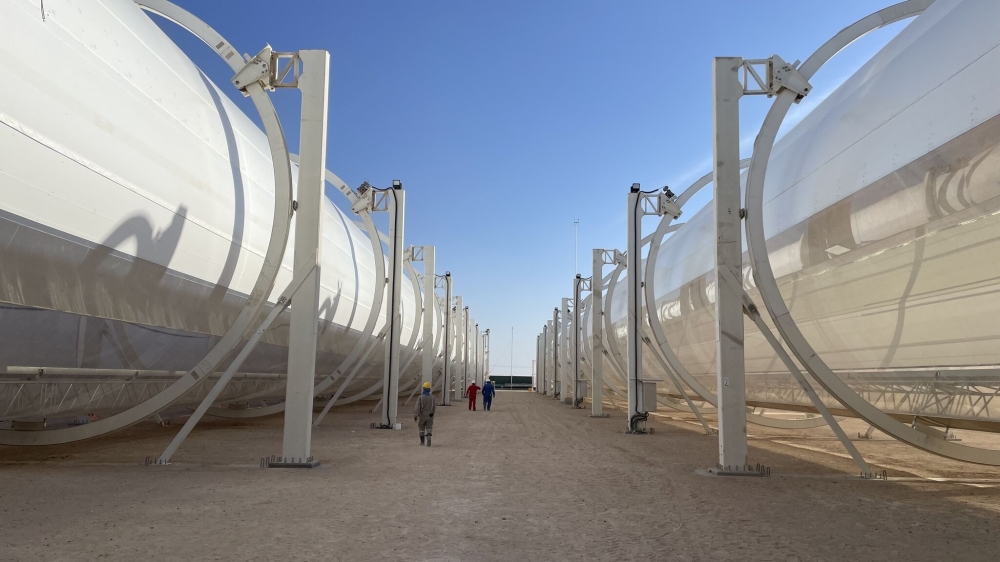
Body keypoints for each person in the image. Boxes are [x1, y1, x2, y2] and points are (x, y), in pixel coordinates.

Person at [413, 381, 436, 447]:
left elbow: (417, 407)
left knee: (421, 428)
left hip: (422, 415)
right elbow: (434, 407)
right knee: (429, 427)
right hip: (430, 415)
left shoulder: (420, 397)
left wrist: (415, 415)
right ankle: (429, 436)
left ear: (423, 388)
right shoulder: (432, 397)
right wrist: (432, 413)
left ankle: (422, 442)